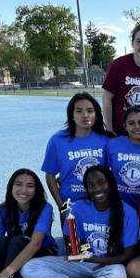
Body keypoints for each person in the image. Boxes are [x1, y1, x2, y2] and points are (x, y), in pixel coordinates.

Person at [21, 166, 140, 278]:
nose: (97, 189)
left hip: (108, 265)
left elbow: (127, 255)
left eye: (101, 183)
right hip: (82, 263)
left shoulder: (128, 213)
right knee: (29, 268)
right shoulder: (77, 208)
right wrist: (74, 251)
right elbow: (72, 243)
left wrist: (97, 260)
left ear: (111, 183)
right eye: (91, 185)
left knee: (118, 277)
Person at [42, 92, 112, 225]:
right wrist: (61, 206)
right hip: (71, 206)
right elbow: (50, 175)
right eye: (79, 111)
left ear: (96, 115)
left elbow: (112, 171)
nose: (85, 115)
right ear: (72, 116)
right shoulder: (58, 141)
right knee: (74, 245)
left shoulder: (106, 140)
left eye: (90, 111)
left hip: (100, 205)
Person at [102, 24, 140, 135]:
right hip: (120, 131)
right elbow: (106, 98)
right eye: (139, 41)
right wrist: (109, 129)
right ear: (132, 42)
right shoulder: (118, 65)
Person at [105, 106, 140, 209]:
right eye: (131, 123)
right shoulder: (112, 144)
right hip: (116, 206)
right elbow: (102, 171)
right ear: (125, 126)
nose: (137, 127)